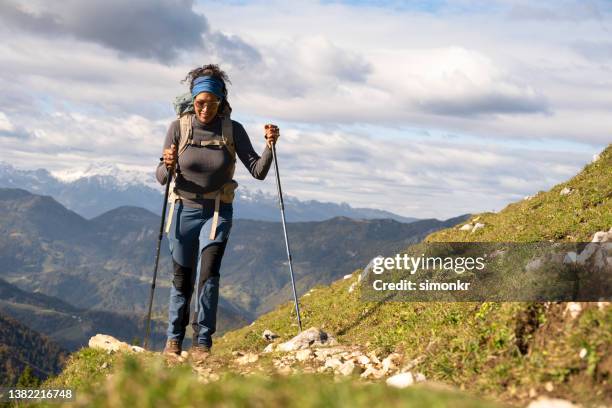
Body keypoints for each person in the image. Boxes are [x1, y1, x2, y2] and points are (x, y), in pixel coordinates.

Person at [155, 64, 280, 362]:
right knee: (181, 278)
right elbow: (161, 176)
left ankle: (202, 343)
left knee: (208, 275)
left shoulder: (232, 129)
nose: (205, 109)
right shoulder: (178, 127)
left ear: (221, 102)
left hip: (217, 211)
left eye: (211, 103)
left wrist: (270, 147)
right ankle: (174, 340)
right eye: (199, 102)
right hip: (182, 209)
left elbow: (258, 171)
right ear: (192, 100)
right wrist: (167, 163)